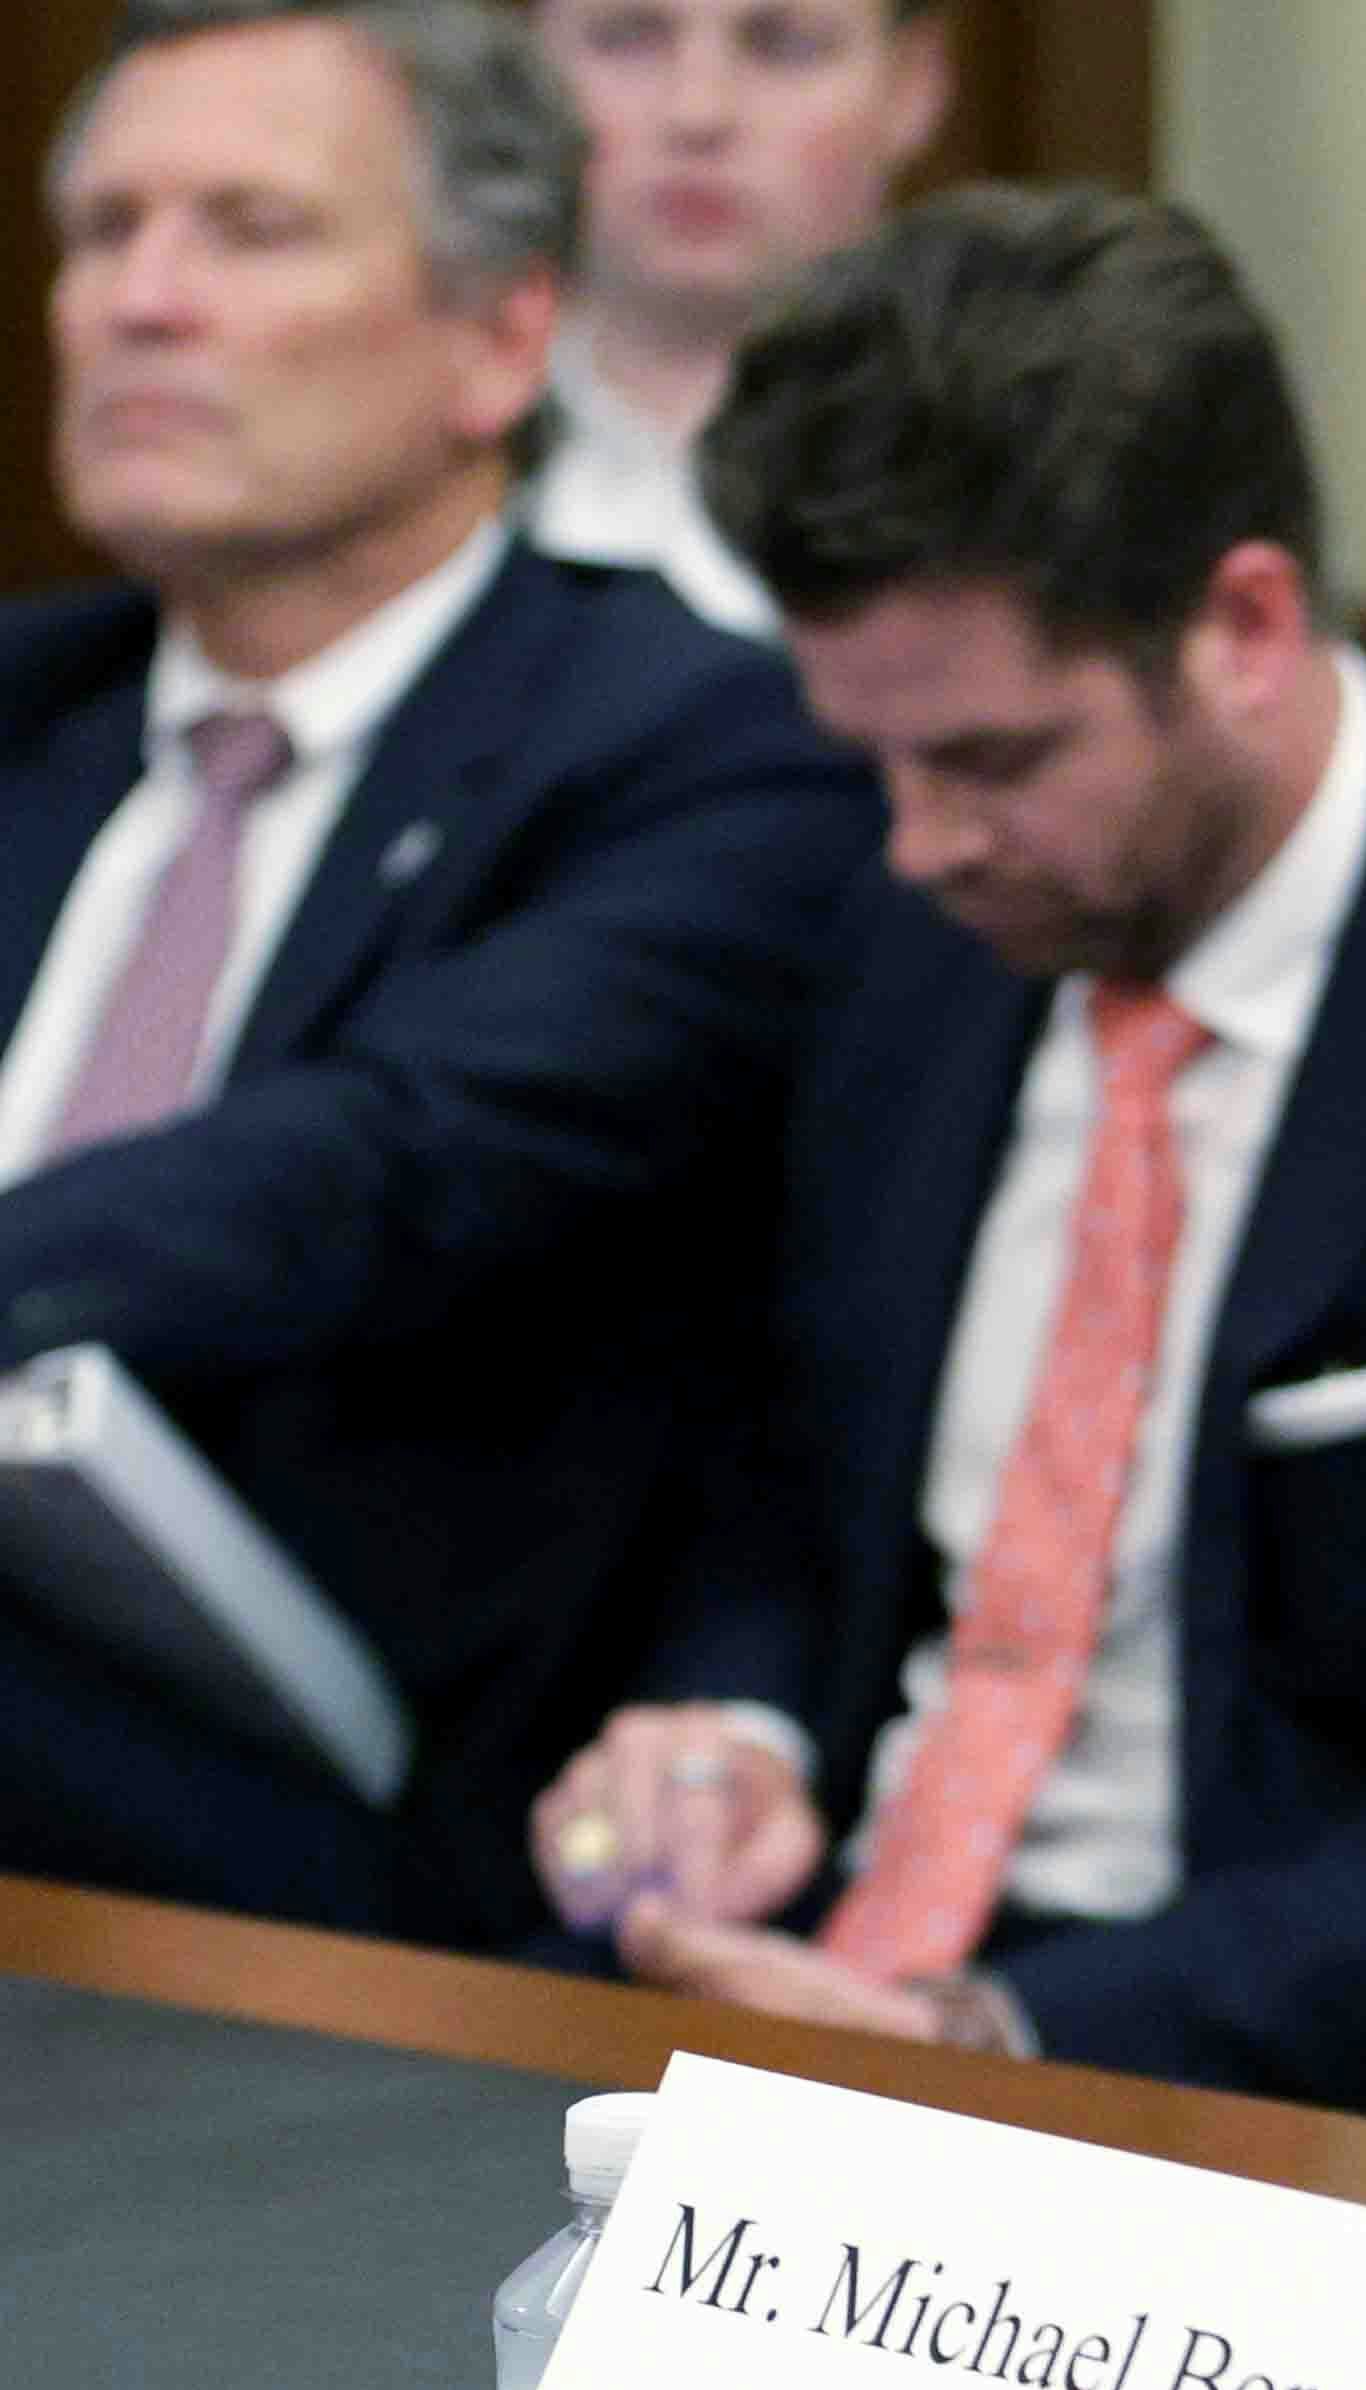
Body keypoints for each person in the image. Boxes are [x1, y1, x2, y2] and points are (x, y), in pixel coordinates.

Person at [516, 186, 1366, 2143]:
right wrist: (728, 1739)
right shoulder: (940, 928)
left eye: (988, 760)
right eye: (874, 761)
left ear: (1239, 628)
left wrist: (976, 2046)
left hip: (1258, 2107)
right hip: (796, 1997)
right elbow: (783, 1493)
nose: (916, 841)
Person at [0, 0, 874, 1946]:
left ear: (498, 337)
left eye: (248, 229)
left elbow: (387, 1161)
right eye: (104, 232)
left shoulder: (702, 744)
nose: (142, 300)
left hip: (380, 1838)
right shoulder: (30, 713)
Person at [521, 0, 951, 634]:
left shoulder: (1028, 463)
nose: (698, 113)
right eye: (628, 38)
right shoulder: (393, 457)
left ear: (914, 84)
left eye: (786, 45)